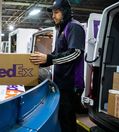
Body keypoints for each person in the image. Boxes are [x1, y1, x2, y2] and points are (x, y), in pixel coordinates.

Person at [30, 0, 85, 131]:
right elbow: (56, 54)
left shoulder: (74, 27)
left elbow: (75, 53)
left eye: (56, 12)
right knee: (62, 117)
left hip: (71, 83)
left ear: (65, 12)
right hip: (62, 82)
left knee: (67, 119)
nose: (53, 16)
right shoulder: (62, 29)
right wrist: (40, 62)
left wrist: (48, 58)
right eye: (53, 13)